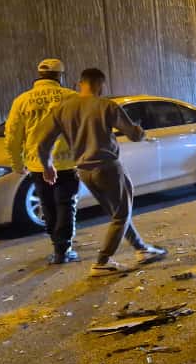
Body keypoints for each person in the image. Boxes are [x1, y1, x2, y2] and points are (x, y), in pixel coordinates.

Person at [35, 68, 166, 277]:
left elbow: (42, 142)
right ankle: (102, 262)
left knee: (118, 213)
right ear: (100, 84)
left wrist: (47, 165)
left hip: (84, 171)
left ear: (80, 83)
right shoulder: (106, 106)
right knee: (122, 214)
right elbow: (133, 134)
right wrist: (140, 131)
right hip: (107, 168)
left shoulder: (63, 108)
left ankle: (141, 249)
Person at [4, 58, 80, 263]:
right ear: (59, 76)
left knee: (47, 204)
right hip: (66, 162)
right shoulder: (71, 97)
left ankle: (57, 246)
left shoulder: (22, 100)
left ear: (39, 75)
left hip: (37, 163)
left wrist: (17, 163)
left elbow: (12, 135)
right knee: (66, 203)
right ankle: (63, 248)